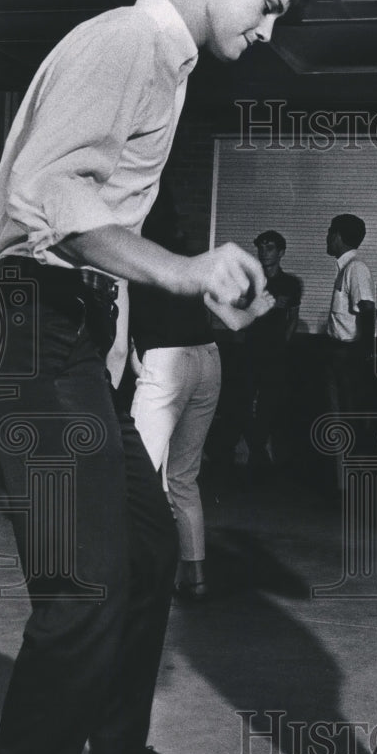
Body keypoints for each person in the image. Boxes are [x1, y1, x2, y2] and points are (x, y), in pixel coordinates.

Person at [0, 0, 308, 754]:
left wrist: (151, 320)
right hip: (26, 331)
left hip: (71, 344)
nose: (269, 30)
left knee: (149, 548)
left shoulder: (167, 64)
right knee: (82, 590)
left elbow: (94, 233)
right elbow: (50, 201)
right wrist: (183, 270)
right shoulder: (127, 40)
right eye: (268, 3)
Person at [129, 183, 221, 602]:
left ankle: (144, 576)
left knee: (137, 474)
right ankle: (196, 577)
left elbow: (120, 342)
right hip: (209, 357)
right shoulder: (185, 256)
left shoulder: (130, 252)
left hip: (167, 362)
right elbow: (234, 318)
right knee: (183, 477)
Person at [242, 229, 302, 472]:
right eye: (261, 248)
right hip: (250, 349)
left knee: (269, 403)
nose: (264, 253)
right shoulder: (251, 281)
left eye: (270, 248)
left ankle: (259, 453)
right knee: (244, 401)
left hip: (275, 352)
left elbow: (293, 318)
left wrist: (282, 344)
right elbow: (239, 310)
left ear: (281, 252)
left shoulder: (291, 283)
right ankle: (256, 450)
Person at [324, 214, 375, 477]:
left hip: (348, 357)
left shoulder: (356, 268)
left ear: (337, 236)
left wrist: (363, 356)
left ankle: (355, 480)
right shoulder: (345, 268)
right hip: (338, 355)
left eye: (329, 232)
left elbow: (367, 308)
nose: (327, 238)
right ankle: (344, 481)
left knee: (350, 418)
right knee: (340, 417)